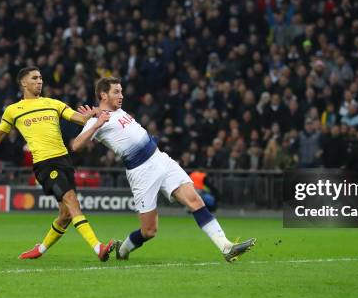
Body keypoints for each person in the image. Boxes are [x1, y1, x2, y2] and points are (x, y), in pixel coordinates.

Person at [71, 77, 255, 262]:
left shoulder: (117, 111)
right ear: (103, 95)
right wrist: (96, 122)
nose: (121, 95)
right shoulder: (97, 121)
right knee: (149, 231)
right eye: (116, 92)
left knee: (195, 200)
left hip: (160, 159)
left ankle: (225, 246)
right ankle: (123, 248)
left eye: (121, 91)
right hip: (141, 172)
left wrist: (99, 113)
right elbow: (76, 145)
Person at [0, 66, 115, 261]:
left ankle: (39, 250)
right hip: (45, 164)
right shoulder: (13, 110)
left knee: (66, 215)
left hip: (64, 161)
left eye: (41, 78)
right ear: (24, 83)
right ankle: (98, 248)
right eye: (34, 78)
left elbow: (80, 118)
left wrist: (94, 114)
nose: (39, 81)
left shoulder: (53, 103)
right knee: (73, 202)